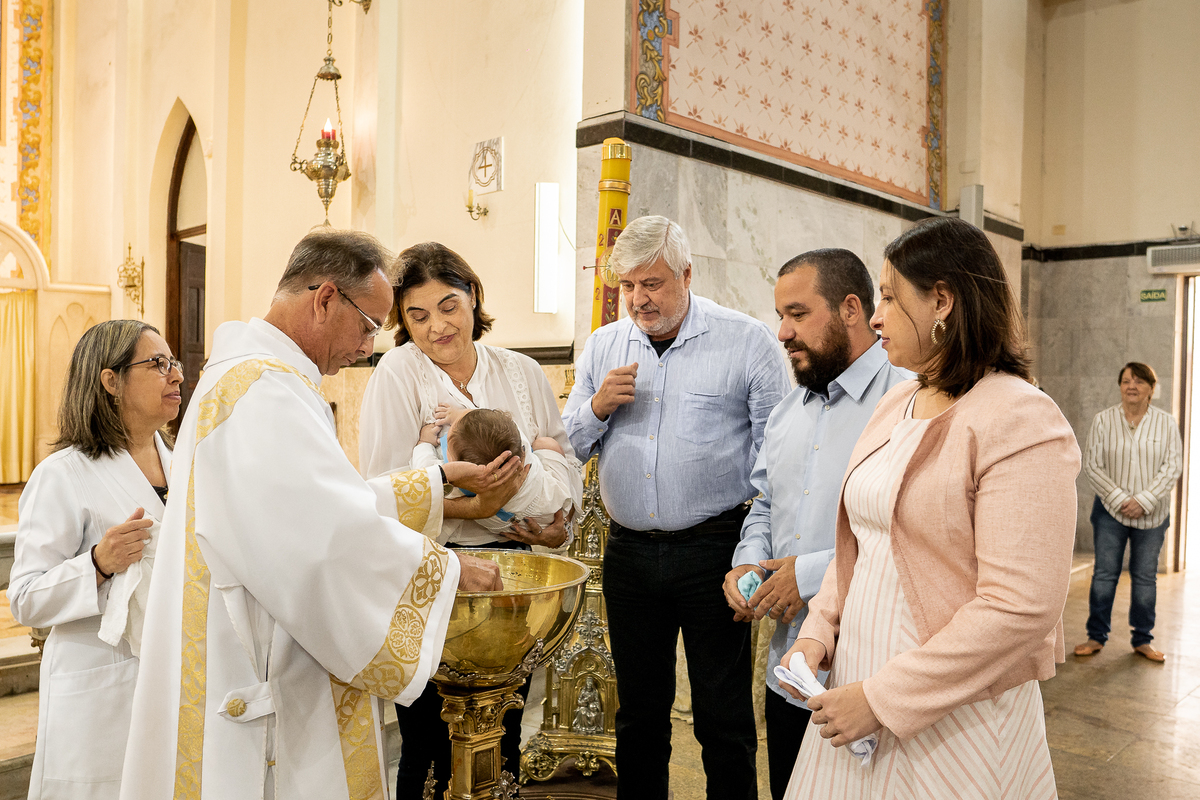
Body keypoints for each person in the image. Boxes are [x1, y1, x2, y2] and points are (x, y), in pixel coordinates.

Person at [120, 229, 508, 800]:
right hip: (254, 665)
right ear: (325, 298)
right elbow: (321, 538)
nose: (368, 344)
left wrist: (438, 479)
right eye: (369, 324)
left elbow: (316, 504)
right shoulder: (262, 389)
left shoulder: (252, 378)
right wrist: (444, 571)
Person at [780, 217, 1080, 798]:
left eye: (890, 297)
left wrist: (882, 698)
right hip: (858, 686)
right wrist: (819, 631)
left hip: (954, 709)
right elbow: (864, 544)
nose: (874, 315)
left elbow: (1020, 607)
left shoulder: (1020, 418)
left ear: (942, 300)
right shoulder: (899, 401)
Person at [562, 215, 790, 800]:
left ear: (688, 274)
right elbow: (571, 444)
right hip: (631, 552)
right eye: (629, 286)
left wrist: (757, 554)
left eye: (653, 284)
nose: (639, 300)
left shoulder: (747, 342)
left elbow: (779, 459)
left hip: (715, 546)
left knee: (723, 715)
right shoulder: (604, 346)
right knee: (638, 714)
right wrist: (596, 406)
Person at [359, 241, 582, 798]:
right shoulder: (397, 373)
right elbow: (385, 493)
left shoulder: (523, 372)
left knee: (501, 734)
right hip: (434, 568)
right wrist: (474, 507)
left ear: (473, 297)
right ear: (401, 320)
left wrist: (559, 528)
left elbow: (563, 459)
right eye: (417, 314)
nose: (437, 326)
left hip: (513, 574)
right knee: (428, 741)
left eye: (449, 305)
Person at [721, 249, 910, 800]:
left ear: (852, 308)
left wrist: (803, 575)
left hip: (871, 672)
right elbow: (764, 504)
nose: (782, 332)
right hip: (792, 668)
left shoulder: (908, 400)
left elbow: (905, 531)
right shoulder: (787, 411)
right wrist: (748, 565)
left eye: (798, 314)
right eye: (781, 315)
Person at [9, 319, 182, 800]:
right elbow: (25, 598)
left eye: (175, 363)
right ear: (110, 380)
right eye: (158, 364)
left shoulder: (184, 463)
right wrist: (97, 564)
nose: (177, 375)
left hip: (173, 676)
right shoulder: (62, 475)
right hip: (101, 683)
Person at [1074, 362, 1182, 663]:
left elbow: (1172, 466)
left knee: (1145, 577)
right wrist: (1122, 498)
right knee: (1105, 575)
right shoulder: (1103, 420)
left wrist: (1144, 500)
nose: (1131, 386)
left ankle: (1143, 639)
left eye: (1138, 381)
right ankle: (1096, 636)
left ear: (1151, 388)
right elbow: (1093, 464)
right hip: (1110, 511)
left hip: (1153, 514)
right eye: (1125, 380)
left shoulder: (1165, 423)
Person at [411, 404, 580, 537]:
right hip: (552, 502)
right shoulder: (517, 446)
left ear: (454, 461)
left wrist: (424, 443)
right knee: (546, 444)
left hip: (510, 526)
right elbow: (493, 423)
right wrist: (459, 414)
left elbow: (424, 472)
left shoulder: (457, 484)